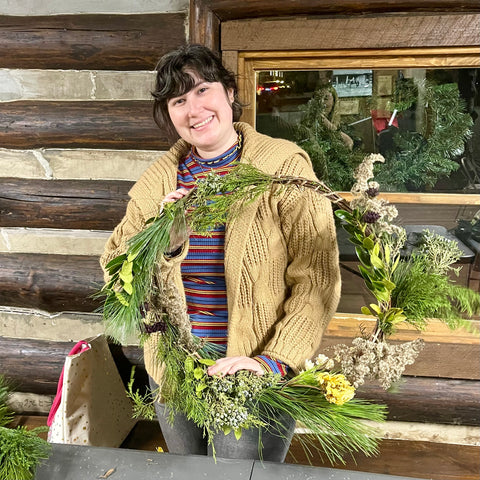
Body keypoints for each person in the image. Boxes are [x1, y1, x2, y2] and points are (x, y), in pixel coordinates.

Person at [100, 44, 341, 461]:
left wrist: (274, 362)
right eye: (178, 99)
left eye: (202, 90)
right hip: (174, 372)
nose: (193, 109)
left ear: (229, 92)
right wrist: (165, 243)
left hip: (251, 373)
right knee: (189, 471)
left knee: (242, 473)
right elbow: (115, 274)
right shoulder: (157, 182)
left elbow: (316, 279)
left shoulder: (283, 168)